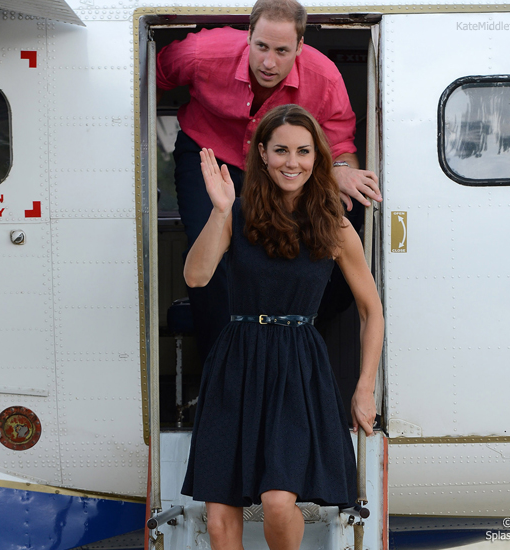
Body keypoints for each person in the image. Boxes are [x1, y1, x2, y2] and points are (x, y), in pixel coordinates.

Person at [181, 104, 384, 550]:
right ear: (262, 154)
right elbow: (195, 276)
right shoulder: (236, 213)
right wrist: (219, 211)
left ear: (317, 158)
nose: (292, 162)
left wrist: (364, 387)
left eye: (303, 151)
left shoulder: (334, 225)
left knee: (276, 501)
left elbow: (372, 311)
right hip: (236, 363)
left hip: (297, 367)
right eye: (281, 151)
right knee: (218, 520)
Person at [156, 0, 381, 363]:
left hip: (279, 162)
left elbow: (340, 144)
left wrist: (340, 167)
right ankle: (221, 364)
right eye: (261, 47)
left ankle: (302, 334)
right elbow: (152, 77)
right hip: (210, 154)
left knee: (340, 220)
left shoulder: (324, 79)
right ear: (248, 36)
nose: (268, 62)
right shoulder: (200, 53)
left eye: (281, 51)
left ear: (300, 47)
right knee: (208, 245)